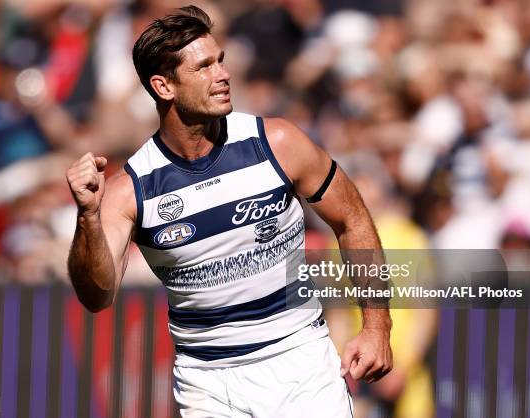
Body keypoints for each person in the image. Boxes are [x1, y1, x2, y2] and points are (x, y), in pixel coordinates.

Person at [66, 6, 392, 417]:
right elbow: (97, 297)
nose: (223, 74)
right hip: (207, 384)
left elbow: (353, 218)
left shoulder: (276, 142)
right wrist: (88, 219)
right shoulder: (130, 191)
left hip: (301, 363)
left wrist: (377, 326)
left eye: (220, 60)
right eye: (203, 67)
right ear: (164, 87)